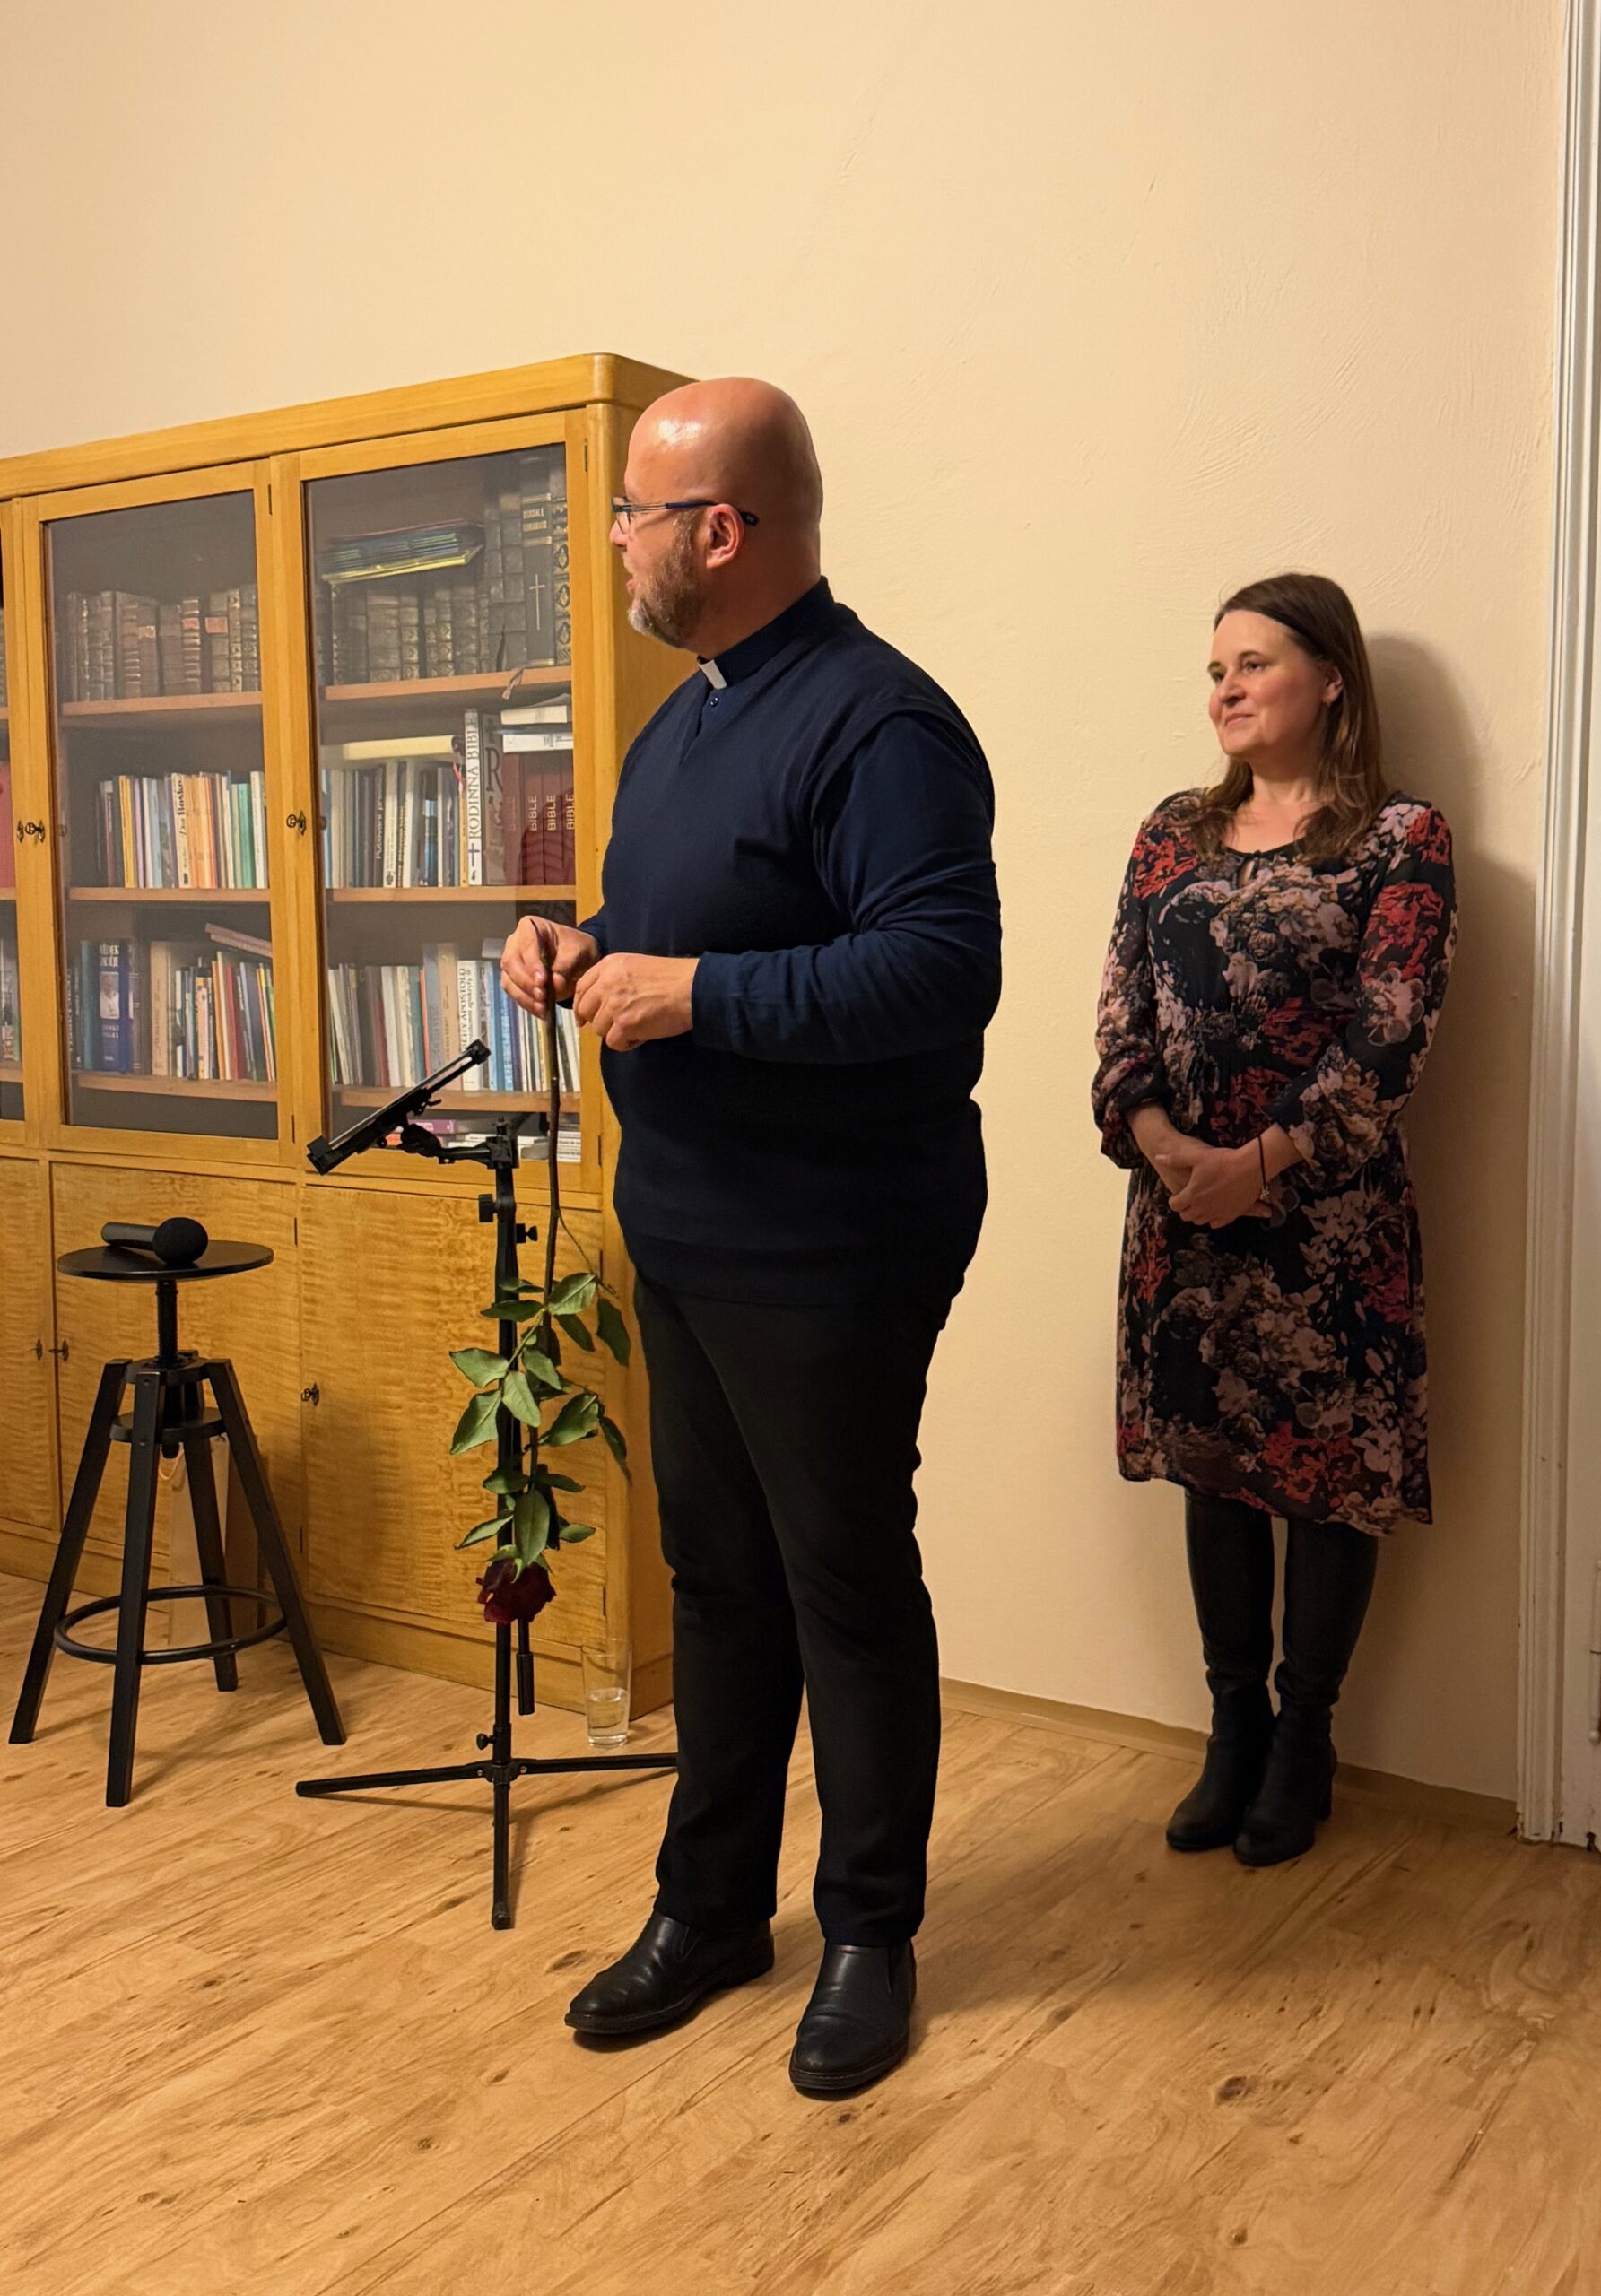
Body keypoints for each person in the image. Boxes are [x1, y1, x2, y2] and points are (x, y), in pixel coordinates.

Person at [500, 378, 1000, 2097]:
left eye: (633, 515)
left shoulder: (882, 723)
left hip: (833, 1244)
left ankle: (869, 1934)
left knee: (841, 1587)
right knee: (715, 1584)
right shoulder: (684, 723)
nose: (614, 543)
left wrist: (696, 993)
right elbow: (682, 930)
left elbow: (939, 973)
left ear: (721, 530)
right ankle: (711, 1910)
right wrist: (581, 946)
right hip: (689, 1228)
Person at [1092, 572, 1457, 1866]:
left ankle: (1306, 1738)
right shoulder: (1171, 834)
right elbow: (1122, 1016)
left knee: (1326, 1481)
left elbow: (1392, 1033)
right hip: (1183, 1212)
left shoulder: (1401, 839)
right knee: (1216, 1467)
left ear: (1331, 678)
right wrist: (1166, 1148)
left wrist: (1264, 1161)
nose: (1227, 690)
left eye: (1254, 664)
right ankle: (1233, 1727)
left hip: (1328, 1225)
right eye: (1216, 671)